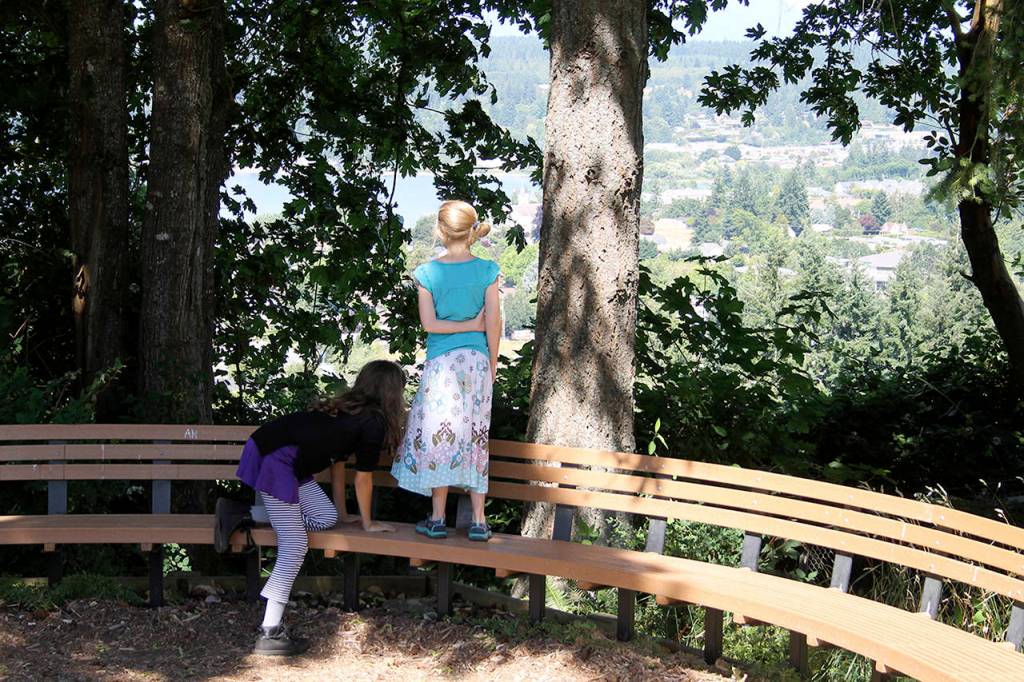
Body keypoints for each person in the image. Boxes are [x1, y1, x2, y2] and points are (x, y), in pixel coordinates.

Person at [233, 360, 405, 656]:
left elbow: (336, 463)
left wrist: (342, 512)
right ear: (392, 392)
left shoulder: (350, 408)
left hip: (282, 454)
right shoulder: (372, 421)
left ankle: (249, 516)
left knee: (326, 518)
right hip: (277, 458)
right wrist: (368, 523)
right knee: (295, 544)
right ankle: (270, 631)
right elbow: (363, 478)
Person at [391, 199, 501, 542]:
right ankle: (479, 521)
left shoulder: (427, 274)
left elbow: (430, 324)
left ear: (440, 231)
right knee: (474, 435)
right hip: (478, 362)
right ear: (471, 230)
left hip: (441, 364)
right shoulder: (487, 270)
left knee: (443, 432)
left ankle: (438, 518)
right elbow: (494, 323)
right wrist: (491, 361)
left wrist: (461, 325)